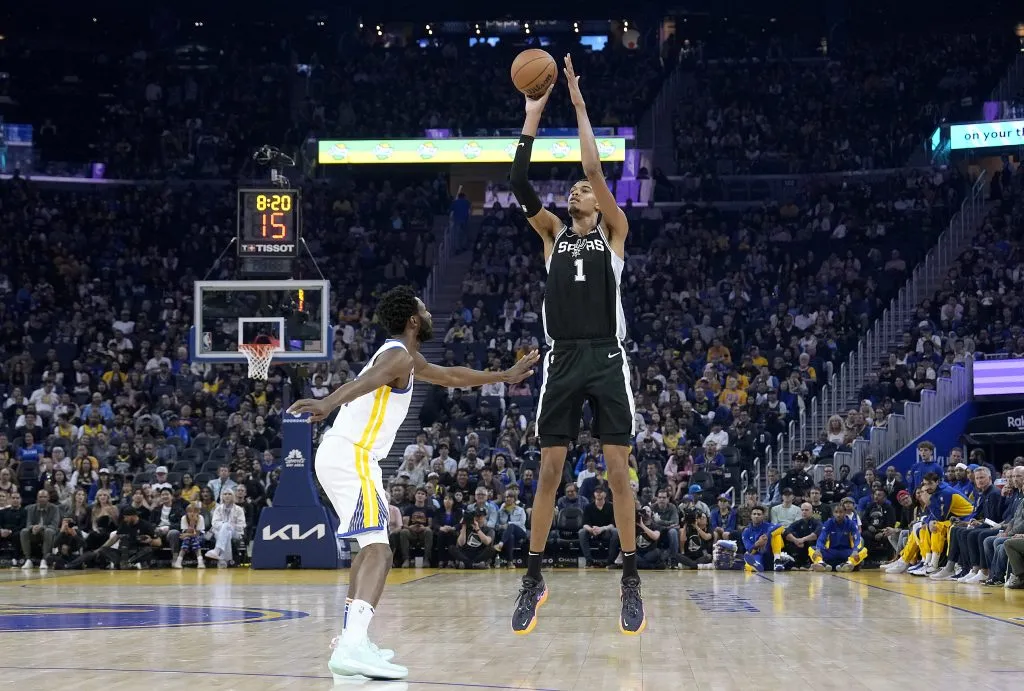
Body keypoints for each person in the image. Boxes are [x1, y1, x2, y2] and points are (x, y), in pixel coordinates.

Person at [288, 285, 537, 679]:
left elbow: (452, 375)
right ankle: (352, 644)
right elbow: (368, 380)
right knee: (380, 554)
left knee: (368, 549)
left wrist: (504, 375)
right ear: (413, 320)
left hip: (349, 456)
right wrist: (327, 402)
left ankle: (353, 639)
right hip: (352, 454)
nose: (429, 314)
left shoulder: (407, 358)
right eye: (424, 308)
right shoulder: (396, 356)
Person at [507, 55, 644, 636]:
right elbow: (517, 184)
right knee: (548, 473)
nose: (578, 188)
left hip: (606, 356)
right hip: (562, 356)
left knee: (618, 472)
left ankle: (631, 577)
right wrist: (532, 117)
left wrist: (580, 106)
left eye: (585, 188)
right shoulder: (553, 235)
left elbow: (593, 164)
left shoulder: (614, 233)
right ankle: (533, 577)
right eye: (574, 188)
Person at [811, 503, 868, 572]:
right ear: (833, 513)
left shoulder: (851, 524)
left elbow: (857, 538)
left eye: (841, 512)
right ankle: (822, 564)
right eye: (836, 512)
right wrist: (818, 549)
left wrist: (855, 550)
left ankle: (848, 564)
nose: (838, 515)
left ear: (845, 513)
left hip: (847, 552)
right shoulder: (828, 523)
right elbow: (821, 538)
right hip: (831, 552)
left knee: (863, 550)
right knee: (812, 549)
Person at [741, 506, 792, 572]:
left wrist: (767, 536)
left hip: (770, 553)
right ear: (751, 516)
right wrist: (757, 544)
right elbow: (749, 549)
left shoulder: (768, 526)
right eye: (754, 514)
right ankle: (757, 566)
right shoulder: (746, 532)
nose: (756, 516)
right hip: (758, 553)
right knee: (749, 565)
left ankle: (777, 561)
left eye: (759, 514)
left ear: (763, 516)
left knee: (776, 534)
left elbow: (781, 527)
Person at [783, 503, 822, 569]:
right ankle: (797, 563)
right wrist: (795, 540)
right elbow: (786, 532)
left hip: (813, 547)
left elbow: (816, 534)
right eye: (802, 510)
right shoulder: (798, 522)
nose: (804, 512)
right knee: (792, 537)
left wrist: (803, 539)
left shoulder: (817, 522)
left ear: (812, 512)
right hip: (800, 546)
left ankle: (813, 563)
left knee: (810, 543)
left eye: (806, 510)